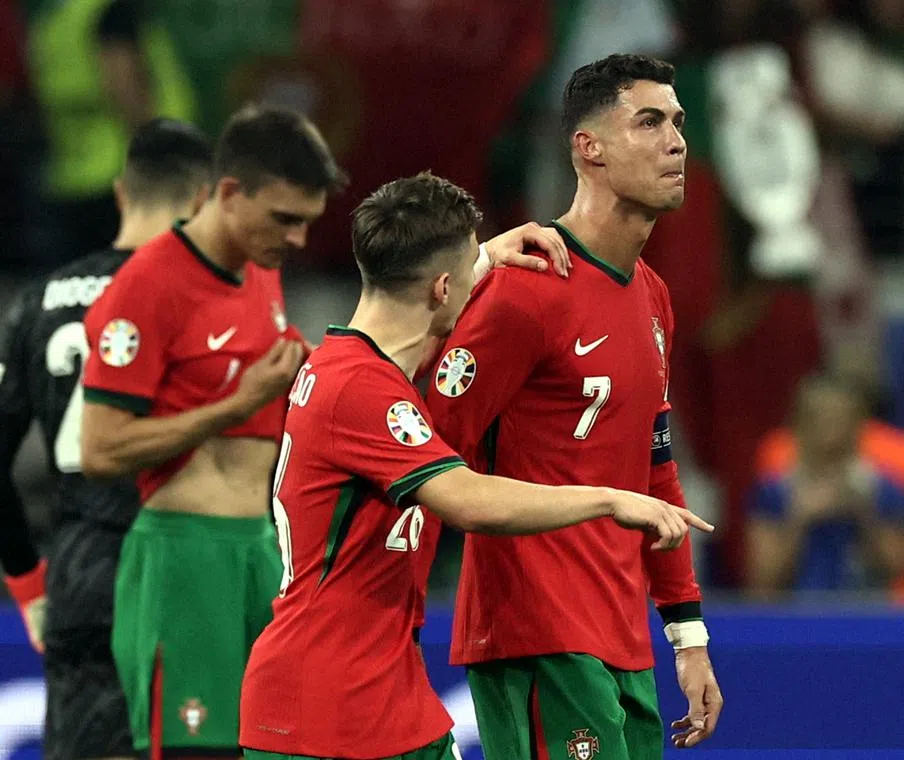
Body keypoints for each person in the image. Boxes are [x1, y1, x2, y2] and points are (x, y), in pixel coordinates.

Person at [79, 104, 578, 760]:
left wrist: (476, 258)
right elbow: (98, 449)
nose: (296, 240)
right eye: (284, 218)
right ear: (229, 193)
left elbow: (381, 330)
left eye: (307, 222)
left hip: (269, 555)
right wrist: (236, 405)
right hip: (186, 551)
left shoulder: (261, 273)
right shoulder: (146, 284)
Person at [238, 171, 711, 760]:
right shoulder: (359, 391)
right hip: (320, 710)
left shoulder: (352, 370)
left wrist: (481, 256)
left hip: (389, 697)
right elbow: (465, 499)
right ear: (443, 287)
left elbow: (423, 322)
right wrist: (609, 497)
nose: (486, 288)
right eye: (474, 275)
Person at [424, 54, 724, 758]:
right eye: (648, 122)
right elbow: (427, 450)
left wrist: (687, 635)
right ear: (588, 147)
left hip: (621, 634)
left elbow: (654, 468)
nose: (676, 142)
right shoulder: (526, 285)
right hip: (534, 631)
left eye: (678, 123)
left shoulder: (652, 297)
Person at [0, 117, 212, 760]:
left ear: (121, 192)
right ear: (204, 199)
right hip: (182, 575)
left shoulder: (39, 300)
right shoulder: (198, 300)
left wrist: (27, 581)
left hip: (80, 576)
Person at [746, 374, 904, 597]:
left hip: (865, 611)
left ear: (859, 426)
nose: (831, 432)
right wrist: (801, 519)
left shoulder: (883, 488)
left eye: (840, 420)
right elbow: (763, 579)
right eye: (820, 419)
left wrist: (862, 512)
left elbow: (899, 568)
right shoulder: (774, 492)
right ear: (799, 425)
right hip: (795, 612)